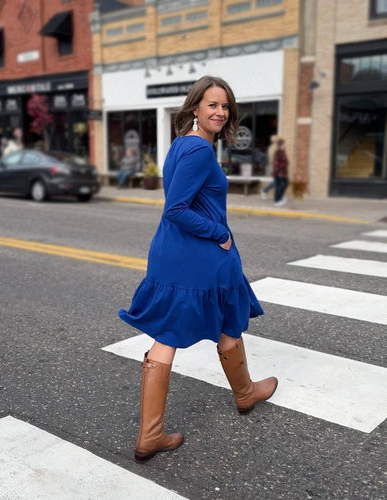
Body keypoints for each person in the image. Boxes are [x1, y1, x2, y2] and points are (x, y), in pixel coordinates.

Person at [119, 76, 278, 463]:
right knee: (225, 320)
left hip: (172, 253)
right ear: (195, 108)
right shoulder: (200, 152)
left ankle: (153, 432)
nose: (221, 112)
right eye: (212, 105)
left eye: (225, 106)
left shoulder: (182, 145)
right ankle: (240, 395)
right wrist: (219, 233)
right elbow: (175, 208)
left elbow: (175, 198)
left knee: (170, 333)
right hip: (202, 254)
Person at [261, 134, 278, 199]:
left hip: (275, 166)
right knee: (277, 181)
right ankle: (264, 190)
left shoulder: (273, 147)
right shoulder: (274, 148)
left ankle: (278, 196)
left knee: (278, 181)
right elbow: (272, 159)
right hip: (275, 167)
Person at [273, 138, 289, 206]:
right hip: (279, 172)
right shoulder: (278, 152)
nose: (285, 145)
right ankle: (277, 201)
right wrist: (284, 165)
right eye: (284, 144)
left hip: (283, 172)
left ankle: (280, 197)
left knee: (285, 183)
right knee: (279, 186)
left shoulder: (283, 151)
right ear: (281, 145)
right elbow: (276, 163)